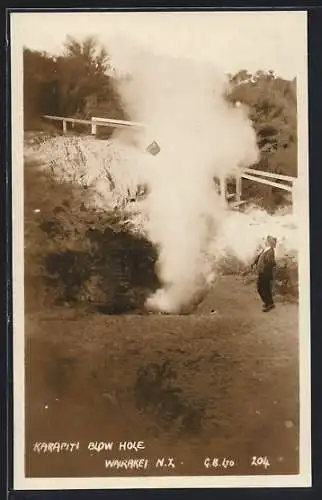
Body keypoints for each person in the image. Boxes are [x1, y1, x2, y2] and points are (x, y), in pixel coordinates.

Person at [251, 235, 277, 312]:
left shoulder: (271, 251)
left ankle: (269, 304)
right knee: (264, 288)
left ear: (270, 243)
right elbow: (259, 257)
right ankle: (269, 303)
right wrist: (254, 263)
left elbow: (272, 262)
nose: (265, 241)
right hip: (262, 272)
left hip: (265, 273)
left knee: (262, 288)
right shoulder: (265, 249)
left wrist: (265, 266)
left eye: (267, 240)